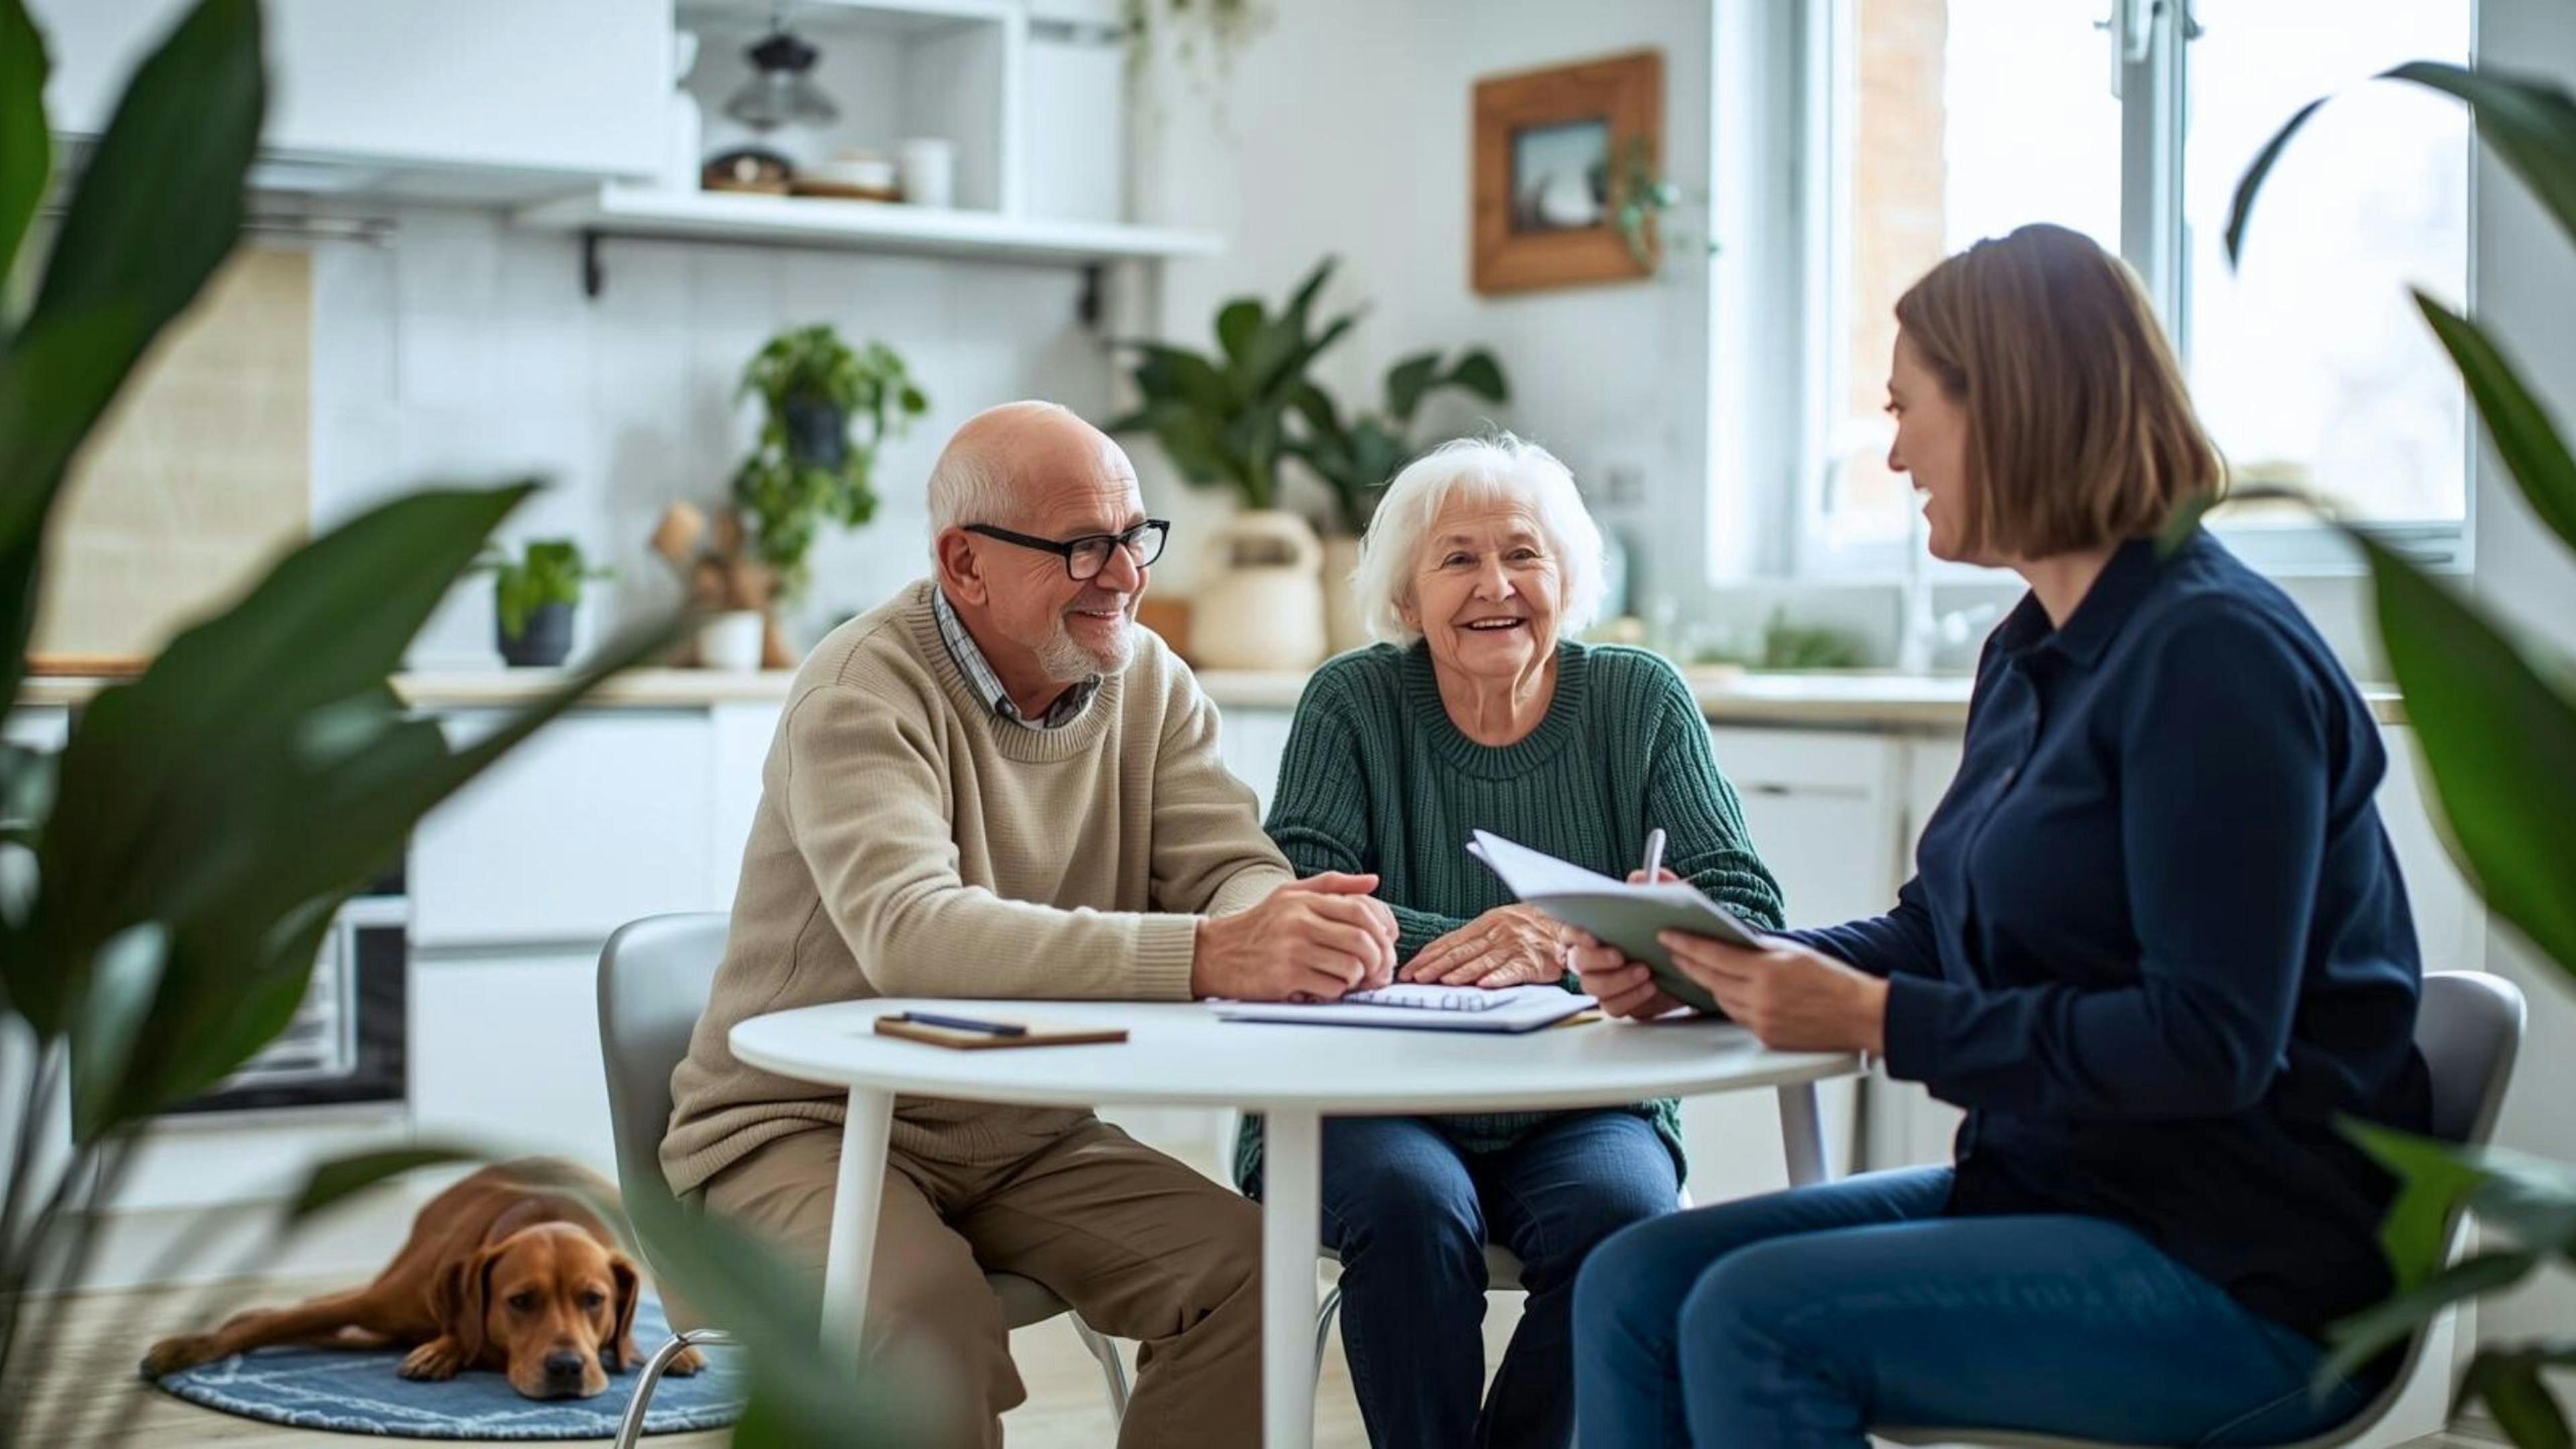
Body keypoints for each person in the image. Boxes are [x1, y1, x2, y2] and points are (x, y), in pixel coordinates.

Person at [1570, 223, 2432, 1447]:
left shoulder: (2215, 657)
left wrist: (1870, 1021)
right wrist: (1717, 968)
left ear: (2015, 405)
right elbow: (1936, 928)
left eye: (1908, 408)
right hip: (2057, 1195)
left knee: (1753, 1320)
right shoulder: (2030, 650)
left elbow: (2206, 1044)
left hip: (2243, 1269)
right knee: (1634, 1288)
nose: (1895, 449)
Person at [661, 400, 1400, 1448]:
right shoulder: (859, 691)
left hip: (1019, 1129)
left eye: (1135, 537)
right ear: (964, 564)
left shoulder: (1148, 680)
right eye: (1082, 546)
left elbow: (1228, 866)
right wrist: (1212, 954)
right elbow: (913, 932)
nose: (1124, 574)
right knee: (923, 1323)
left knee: (1257, 1273)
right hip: (800, 1132)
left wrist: (1268, 922)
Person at [1246, 435, 1784, 1448]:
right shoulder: (1351, 704)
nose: (1497, 585)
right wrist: (1498, 936)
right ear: (1406, 597)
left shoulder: (1641, 699)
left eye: (1524, 555)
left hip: (1582, 1098)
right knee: (1412, 1211)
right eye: (1457, 559)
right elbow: (1294, 907)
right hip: (1371, 1093)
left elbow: (1749, 909)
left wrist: (1569, 940)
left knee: (1627, 1224)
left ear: (1568, 578)